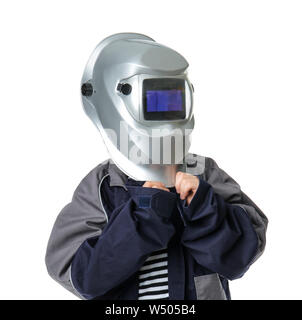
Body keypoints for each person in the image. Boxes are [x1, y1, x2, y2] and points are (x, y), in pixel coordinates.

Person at [45, 33, 268, 300]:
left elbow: (241, 255)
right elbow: (81, 277)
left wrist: (203, 208)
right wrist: (140, 221)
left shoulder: (203, 173)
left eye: (173, 99)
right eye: (154, 100)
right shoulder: (104, 185)